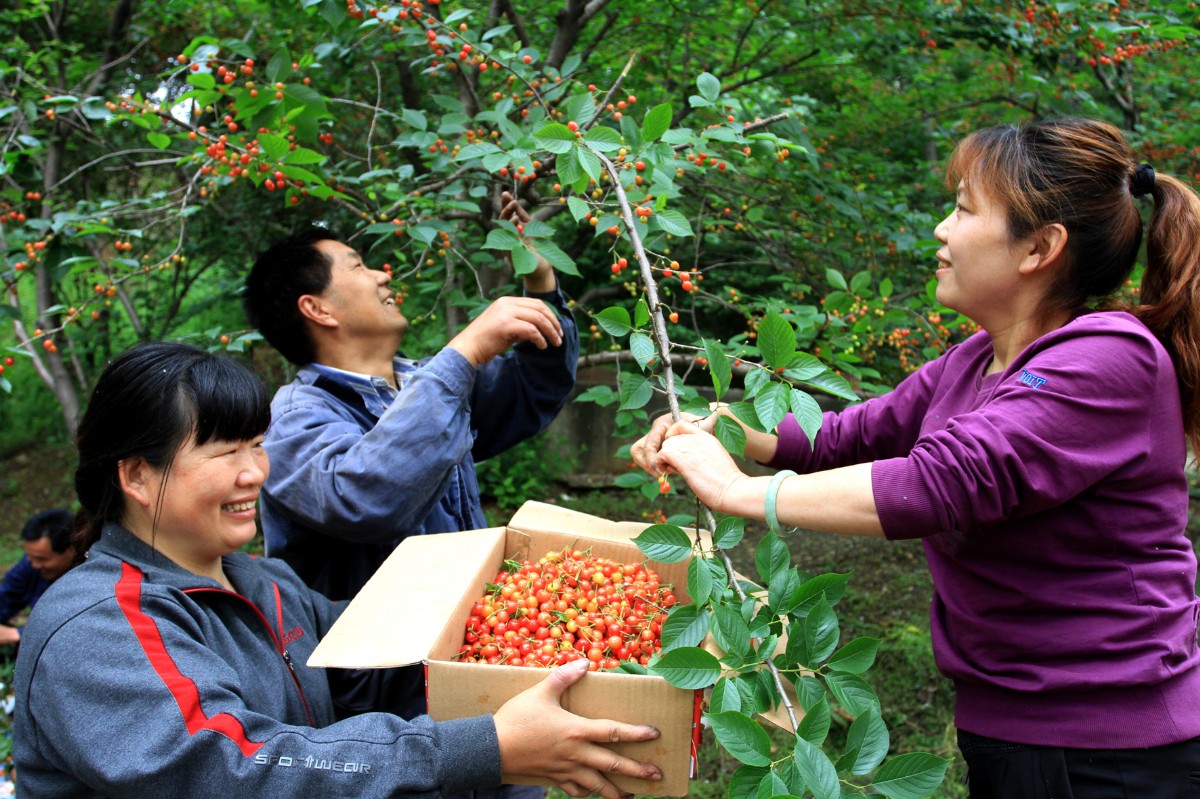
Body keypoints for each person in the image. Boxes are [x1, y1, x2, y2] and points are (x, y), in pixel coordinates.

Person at [632, 117, 1200, 798]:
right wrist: (727, 429)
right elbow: (843, 434)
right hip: (1018, 727)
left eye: (963, 209)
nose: (940, 228)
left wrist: (738, 491)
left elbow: (940, 482)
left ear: (1039, 248)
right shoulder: (974, 361)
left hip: (1113, 748)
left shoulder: (1113, 357)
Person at [12, 342, 661, 799]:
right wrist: (484, 746)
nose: (255, 473)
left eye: (258, 444)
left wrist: (559, 672)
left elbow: (383, 674)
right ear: (135, 474)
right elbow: (242, 769)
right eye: (225, 451)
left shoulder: (264, 584)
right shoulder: (98, 626)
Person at [242, 192, 579, 603]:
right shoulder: (293, 420)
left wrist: (539, 279)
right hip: (375, 665)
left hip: (460, 642)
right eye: (358, 266)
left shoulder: (423, 384)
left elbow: (534, 388)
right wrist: (466, 350)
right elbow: (366, 500)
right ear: (318, 309)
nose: (382, 275)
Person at [0, 509, 75, 646]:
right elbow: (7, 596)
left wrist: (18, 634)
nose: (35, 565)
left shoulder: (88, 579)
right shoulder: (30, 566)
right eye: (30, 557)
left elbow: (75, 627)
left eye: (42, 559)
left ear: (71, 551)